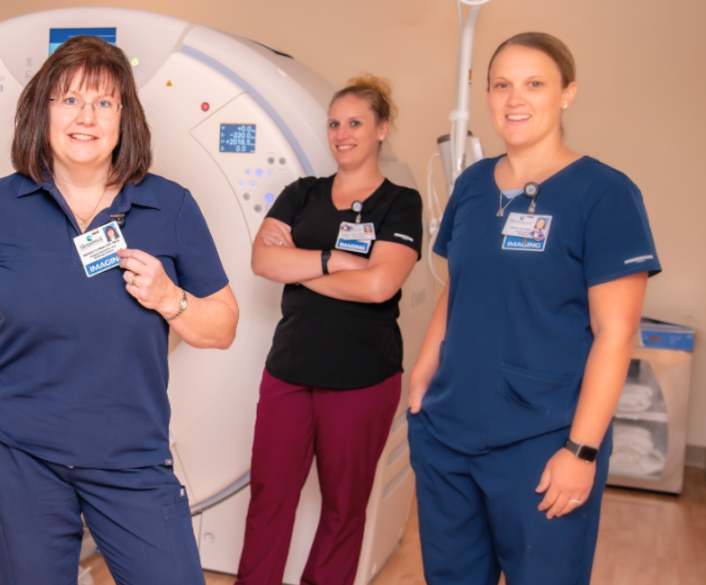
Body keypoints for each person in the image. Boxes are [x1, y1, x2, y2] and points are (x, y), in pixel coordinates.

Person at [0, 36, 238, 585]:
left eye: (104, 102)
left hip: (130, 457)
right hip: (20, 455)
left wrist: (171, 299)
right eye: (69, 100)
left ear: (126, 118)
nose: (86, 117)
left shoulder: (169, 207)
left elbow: (222, 327)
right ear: (41, 111)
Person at [407, 33, 660, 585]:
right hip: (448, 433)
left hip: (542, 443)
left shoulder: (604, 194)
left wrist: (581, 450)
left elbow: (615, 334)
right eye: (502, 85)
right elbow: (459, 286)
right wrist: (422, 381)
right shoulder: (473, 184)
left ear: (567, 94)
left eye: (534, 84)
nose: (514, 99)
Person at [237, 75, 423, 585]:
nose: (342, 133)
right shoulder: (303, 194)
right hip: (290, 370)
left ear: (381, 129)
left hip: (362, 376)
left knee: (343, 510)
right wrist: (332, 259)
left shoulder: (399, 202)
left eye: (356, 123)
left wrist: (298, 265)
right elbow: (261, 260)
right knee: (269, 498)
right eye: (335, 123)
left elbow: (379, 286)